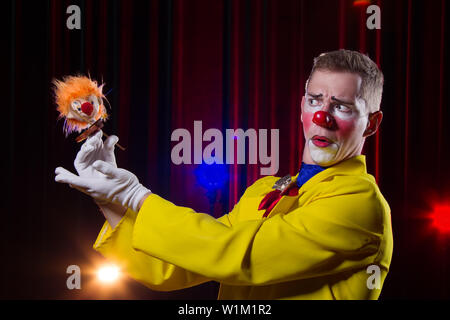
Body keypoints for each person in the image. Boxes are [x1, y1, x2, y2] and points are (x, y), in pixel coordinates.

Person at [55, 49, 393, 300]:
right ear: (302, 106)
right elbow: (181, 265)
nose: (323, 116)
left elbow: (236, 255)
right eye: (315, 100)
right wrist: (109, 197)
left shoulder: (361, 205)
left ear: (372, 124)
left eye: (343, 106)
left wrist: (136, 196)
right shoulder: (268, 189)